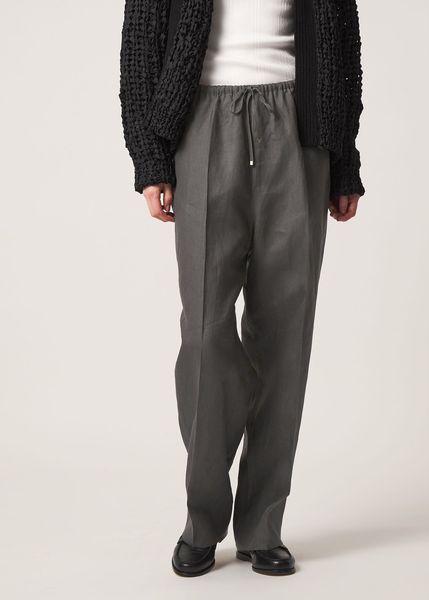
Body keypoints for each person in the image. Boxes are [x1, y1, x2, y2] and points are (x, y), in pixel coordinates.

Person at [120, 0, 364, 577]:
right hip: (202, 119)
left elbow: (343, 47)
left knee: (285, 334)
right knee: (205, 334)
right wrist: (150, 156)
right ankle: (202, 519)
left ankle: (262, 526)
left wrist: (344, 160)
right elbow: (140, 47)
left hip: (300, 127)